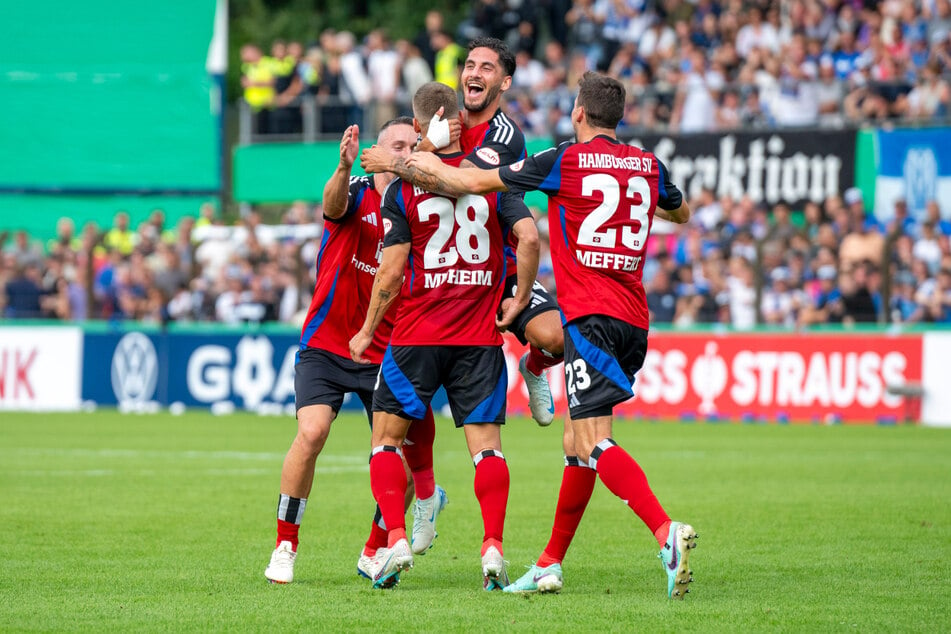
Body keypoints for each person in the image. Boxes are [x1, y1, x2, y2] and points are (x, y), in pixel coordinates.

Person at [405, 72, 698, 599]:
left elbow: (470, 183)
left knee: (594, 440)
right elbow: (680, 210)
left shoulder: (564, 159)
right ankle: (548, 563)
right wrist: (643, 199)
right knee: (574, 441)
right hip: (634, 320)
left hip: (589, 318)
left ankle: (664, 534)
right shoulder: (647, 165)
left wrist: (411, 158)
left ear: (579, 113)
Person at [348, 81, 540, 590]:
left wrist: (367, 330)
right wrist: (518, 298)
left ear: (417, 127)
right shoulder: (486, 178)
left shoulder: (404, 189)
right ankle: (493, 548)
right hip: (478, 337)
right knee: (487, 451)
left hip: (417, 333)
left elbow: (389, 274)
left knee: (385, 444)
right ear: (459, 120)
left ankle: (393, 540)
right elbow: (528, 235)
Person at [263, 119, 445, 586]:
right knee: (312, 433)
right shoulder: (359, 190)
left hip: (388, 353)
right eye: (395, 144)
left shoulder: (423, 204)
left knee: (400, 464)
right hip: (327, 343)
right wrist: (342, 168)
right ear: (376, 150)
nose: (404, 151)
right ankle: (285, 544)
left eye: (412, 144)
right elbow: (332, 205)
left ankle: (373, 550)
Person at [362, 37, 565, 428]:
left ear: (504, 84)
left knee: (555, 338)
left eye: (486, 68)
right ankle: (424, 486)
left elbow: (459, 183)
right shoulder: (439, 119)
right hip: (440, 267)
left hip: (498, 265)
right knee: (406, 407)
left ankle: (535, 367)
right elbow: (399, 187)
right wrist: (422, 145)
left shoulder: (504, 135)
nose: (473, 73)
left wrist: (398, 159)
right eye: (470, 65)